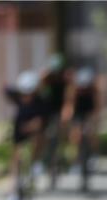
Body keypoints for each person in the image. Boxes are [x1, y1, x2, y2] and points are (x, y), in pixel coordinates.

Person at [5, 70, 47, 200]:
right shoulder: (16, 96)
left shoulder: (41, 102)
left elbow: (41, 122)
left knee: (38, 138)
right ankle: (13, 193)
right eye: (24, 92)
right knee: (16, 158)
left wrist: (32, 126)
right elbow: (4, 89)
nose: (27, 95)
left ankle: (35, 163)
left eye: (30, 92)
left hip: (35, 131)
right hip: (19, 130)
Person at [62, 67, 101, 174]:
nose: (83, 89)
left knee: (92, 132)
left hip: (89, 111)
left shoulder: (93, 90)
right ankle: (76, 162)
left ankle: (94, 156)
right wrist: (67, 115)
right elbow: (69, 105)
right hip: (78, 112)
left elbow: (97, 107)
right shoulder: (73, 89)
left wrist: (95, 120)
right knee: (75, 136)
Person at [38, 54, 68, 186]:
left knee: (60, 132)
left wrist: (66, 113)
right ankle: (41, 159)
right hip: (46, 109)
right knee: (42, 134)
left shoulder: (65, 78)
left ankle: (60, 157)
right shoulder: (46, 77)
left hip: (59, 109)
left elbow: (69, 98)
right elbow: (38, 90)